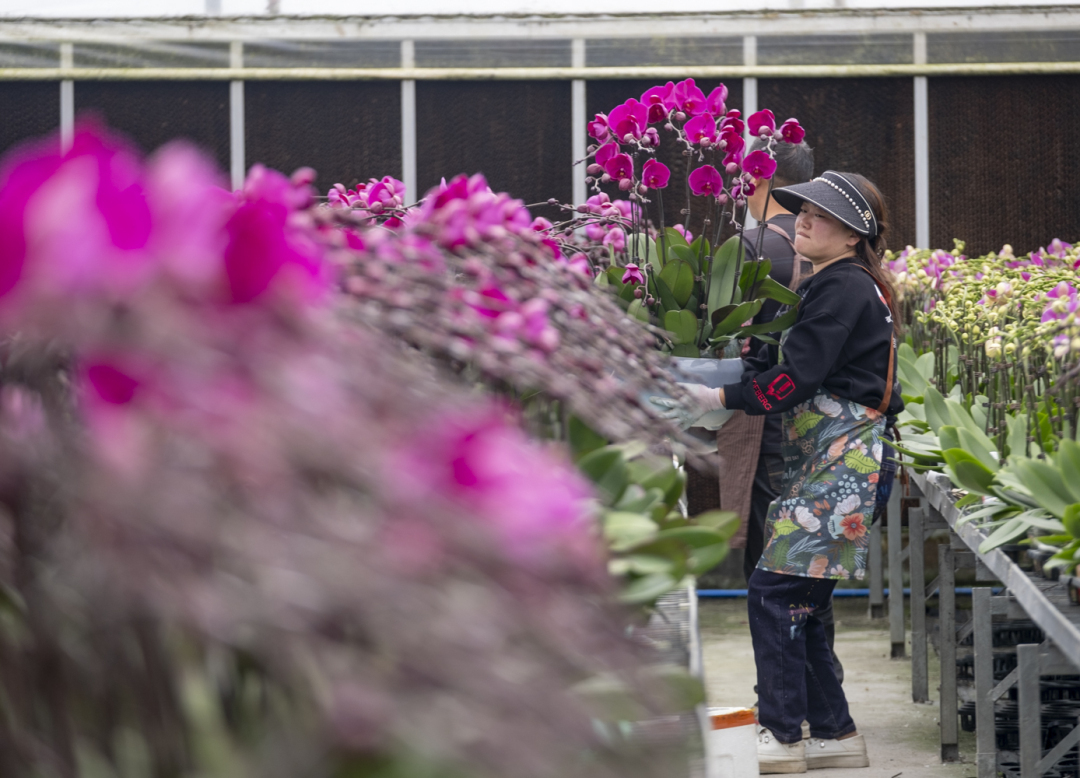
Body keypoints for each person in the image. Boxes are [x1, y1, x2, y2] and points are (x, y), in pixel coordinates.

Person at [667, 171, 902, 773]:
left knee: (774, 592)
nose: (804, 219)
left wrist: (719, 398)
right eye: (801, 210)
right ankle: (833, 733)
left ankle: (781, 733)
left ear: (852, 235)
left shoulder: (843, 286)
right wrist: (736, 369)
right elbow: (788, 363)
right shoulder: (833, 284)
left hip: (846, 463)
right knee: (800, 598)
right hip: (833, 461)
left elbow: (797, 379)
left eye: (820, 215)